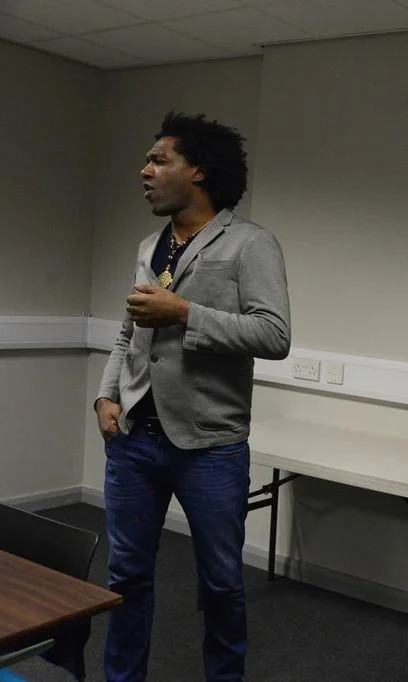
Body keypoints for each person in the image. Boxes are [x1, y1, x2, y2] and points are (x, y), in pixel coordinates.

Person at [94, 111, 291, 682]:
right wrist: (107, 395)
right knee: (126, 577)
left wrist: (185, 313)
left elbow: (274, 335)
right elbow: (130, 333)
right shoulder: (148, 246)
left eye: (159, 160)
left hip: (210, 447)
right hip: (134, 441)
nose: (145, 170)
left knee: (222, 583)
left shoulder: (251, 244)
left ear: (198, 171)